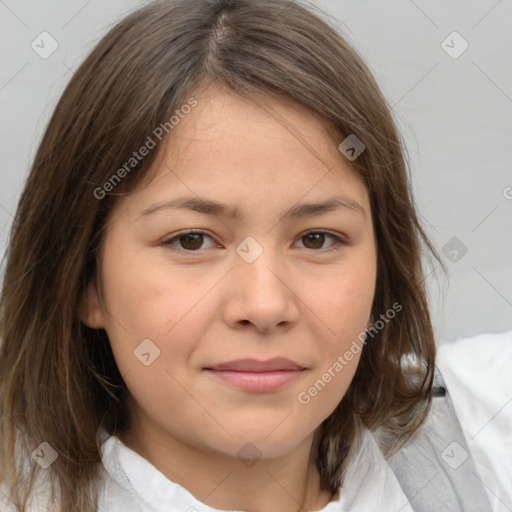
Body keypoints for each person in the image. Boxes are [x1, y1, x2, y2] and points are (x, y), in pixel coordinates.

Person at [0, 0, 510, 511]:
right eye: (191, 240)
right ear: (84, 279)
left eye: (317, 239)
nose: (265, 306)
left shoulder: (484, 431)